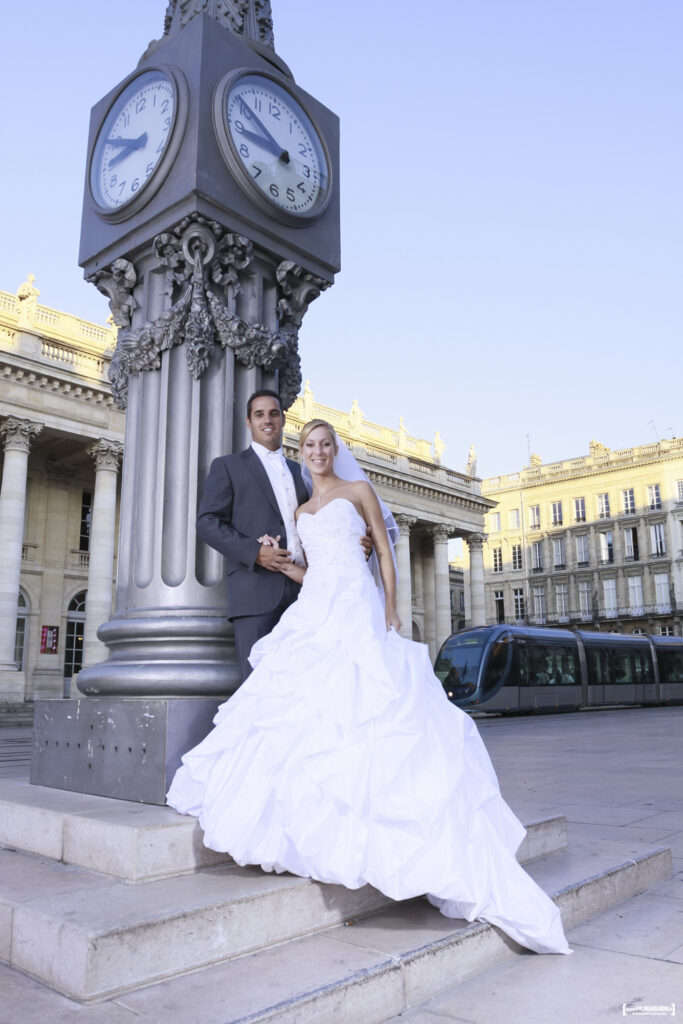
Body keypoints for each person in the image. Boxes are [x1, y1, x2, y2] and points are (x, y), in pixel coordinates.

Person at [169, 419, 571, 956]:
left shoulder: (358, 491)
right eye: (308, 447)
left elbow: (383, 549)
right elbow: (308, 572)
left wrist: (388, 608)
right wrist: (276, 554)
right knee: (306, 713)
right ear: (301, 452)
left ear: (335, 450)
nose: (316, 453)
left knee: (368, 707)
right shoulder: (299, 512)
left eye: (324, 445)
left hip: (357, 605)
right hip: (316, 608)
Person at [196, 391, 370, 680]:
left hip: (308, 594)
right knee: (257, 688)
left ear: (283, 419)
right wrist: (255, 553)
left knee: (305, 687)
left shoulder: (301, 470)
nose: (267, 420)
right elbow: (207, 522)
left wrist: (359, 544)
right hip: (255, 595)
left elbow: (326, 520)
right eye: (259, 414)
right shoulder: (228, 466)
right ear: (248, 422)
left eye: (273, 413)